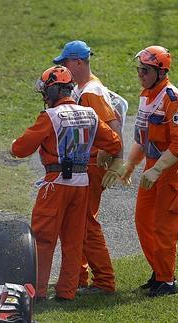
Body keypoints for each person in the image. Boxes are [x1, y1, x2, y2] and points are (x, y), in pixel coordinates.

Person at [10, 65, 122, 301]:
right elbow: (114, 142)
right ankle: (67, 292)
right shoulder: (90, 114)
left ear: (53, 91)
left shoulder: (50, 117)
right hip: (81, 184)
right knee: (73, 241)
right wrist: (100, 154)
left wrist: (13, 145)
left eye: (46, 92)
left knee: (43, 238)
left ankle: (38, 291)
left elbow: (20, 149)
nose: (44, 97)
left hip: (56, 183)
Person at [119, 46, 178, 297]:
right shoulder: (147, 95)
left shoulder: (173, 99)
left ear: (161, 72)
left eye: (146, 70)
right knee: (143, 221)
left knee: (164, 227)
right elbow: (143, 137)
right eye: (139, 69)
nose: (140, 73)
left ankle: (167, 280)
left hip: (173, 168)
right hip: (154, 165)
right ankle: (159, 271)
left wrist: (158, 169)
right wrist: (130, 165)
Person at [53, 40, 124, 294]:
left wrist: (116, 159)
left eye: (65, 63)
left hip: (92, 165)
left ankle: (104, 282)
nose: (62, 67)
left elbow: (113, 128)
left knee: (85, 223)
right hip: (89, 163)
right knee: (77, 222)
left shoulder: (91, 91)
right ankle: (78, 277)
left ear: (78, 62)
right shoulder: (87, 88)